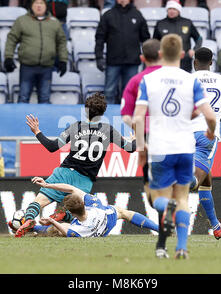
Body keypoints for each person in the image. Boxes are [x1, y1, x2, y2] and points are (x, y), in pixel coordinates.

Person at [133, 34, 216, 259]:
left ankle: (165, 207)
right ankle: (181, 248)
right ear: (182, 54)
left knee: (157, 198)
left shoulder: (149, 80)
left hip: (160, 148)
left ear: (160, 54)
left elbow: (138, 118)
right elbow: (209, 115)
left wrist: (141, 147)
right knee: (183, 199)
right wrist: (210, 130)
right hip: (185, 147)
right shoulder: (191, 81)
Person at [15, 92, 137, 237]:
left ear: (86, 111)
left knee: (38, 201)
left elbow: (52, 147)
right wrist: (135, 138)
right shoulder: (108, 130)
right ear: (103, 112)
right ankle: (59, 216)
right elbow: (131, 148)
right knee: (74, 214)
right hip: (84, 180)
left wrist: (37, 132)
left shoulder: (75, 127)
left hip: (64, 172)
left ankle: (28, 220)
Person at [190, 47, 221, 239]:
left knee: (205, 181)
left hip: (185, 133)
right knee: (194, 180)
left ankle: (216, 226)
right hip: (207, 136)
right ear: (212, 62)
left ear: (195, 62)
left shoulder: (186, 79)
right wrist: (220, 118)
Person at [25, 177, 159, 237]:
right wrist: (47, 185)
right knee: (123, 212)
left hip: (92, 231)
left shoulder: (78, 228)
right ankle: (159, 229)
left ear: (72, 213)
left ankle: (31, 227)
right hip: (106, 221)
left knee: (57, 230)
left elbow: (66, 231)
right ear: (83, 203)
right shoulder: (93, 202)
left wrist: (53, 221)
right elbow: (71, 188)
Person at [120, 38, 162, 206]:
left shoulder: (136, 81)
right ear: (162, 54)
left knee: (152, 186)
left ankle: (161, 209)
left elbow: (127, 117)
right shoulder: (177, 78)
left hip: (148, 136)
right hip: (174, 134)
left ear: (142, 58)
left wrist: (141, 141)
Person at [4, 0, 68, 104]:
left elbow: (61, 42)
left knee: (44, 99)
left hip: (46, 68)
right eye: (36, 3)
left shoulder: (54, 22)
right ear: (31, 5)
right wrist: (8, 57)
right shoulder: (22, 21)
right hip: (27, 67)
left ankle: (43, 121)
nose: (39, 6)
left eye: (41, 3)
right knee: (23, 98)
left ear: (46, 6)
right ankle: (21, 120)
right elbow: (12, 39)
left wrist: (63, 60)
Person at [95, 0, 150, 104]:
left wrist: (149, 58)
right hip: (113, 61)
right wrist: (99, 57)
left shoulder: (137, 14)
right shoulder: (108, 15)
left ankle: (127, 118)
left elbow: (146, 39)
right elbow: (100, 38)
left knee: (129, 93)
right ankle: (108, 117)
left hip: (132, 62)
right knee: (109, 92)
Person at [153, 0, 202, 73]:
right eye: (169, 9)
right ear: (167, 10)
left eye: (174, 9)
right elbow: (154, 42)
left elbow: (199, 38)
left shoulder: (187, 23)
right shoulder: (160, 24)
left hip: (185, 62)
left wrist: (194, 50)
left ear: (179, 10)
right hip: (165, 62)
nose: (171, 11)